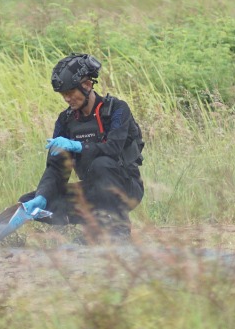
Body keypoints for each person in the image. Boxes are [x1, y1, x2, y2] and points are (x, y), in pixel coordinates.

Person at [19, 53, 144, 242]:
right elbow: (55, 169)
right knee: (29, 201)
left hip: (126, 188)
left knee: (101, 164)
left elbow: (113, 148)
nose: (67, 99)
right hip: (91, 190)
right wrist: (42, 196)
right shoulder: (65, 120)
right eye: (63, 95)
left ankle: (117, 229)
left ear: (86, 85)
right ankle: (94, 226)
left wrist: (77, 146)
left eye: (70, 93)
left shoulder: (117, 110)